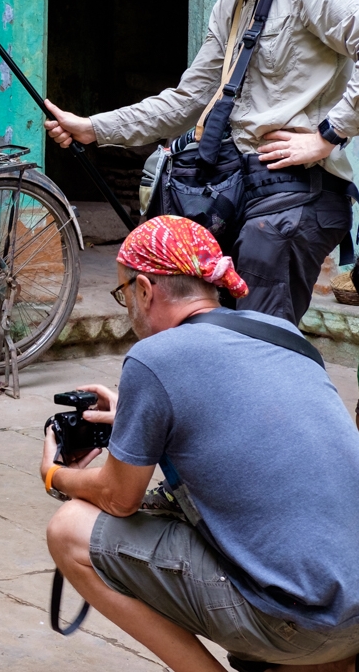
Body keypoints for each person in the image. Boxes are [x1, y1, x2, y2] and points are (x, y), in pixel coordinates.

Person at [42, 216, 359, 672]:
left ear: (145, 289)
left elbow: (119, 497)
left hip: (296, 624)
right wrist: (136, 414)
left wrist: (55, 473)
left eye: (123, 293)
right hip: (350, 615)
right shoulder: (283, 335)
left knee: (69, 529)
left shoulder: (154, 357)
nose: (125, 306)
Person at [44, 0, 359, 324]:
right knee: (210, 328)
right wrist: (94, 129)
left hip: (295, 195)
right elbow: (190, 98)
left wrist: (328, 135)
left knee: (257, 341)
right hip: (240, 188)